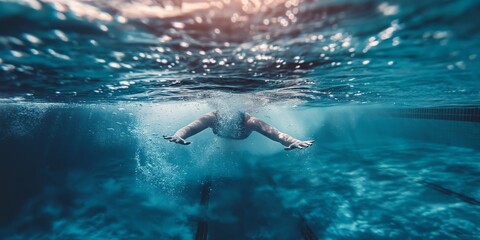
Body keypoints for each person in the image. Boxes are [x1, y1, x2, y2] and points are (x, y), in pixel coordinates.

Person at [163, 111, 314, 150]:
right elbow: (189, 128)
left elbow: (277, 134)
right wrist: (178, 135)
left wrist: (294, 141)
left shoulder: (252, 122)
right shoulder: (211, 118)